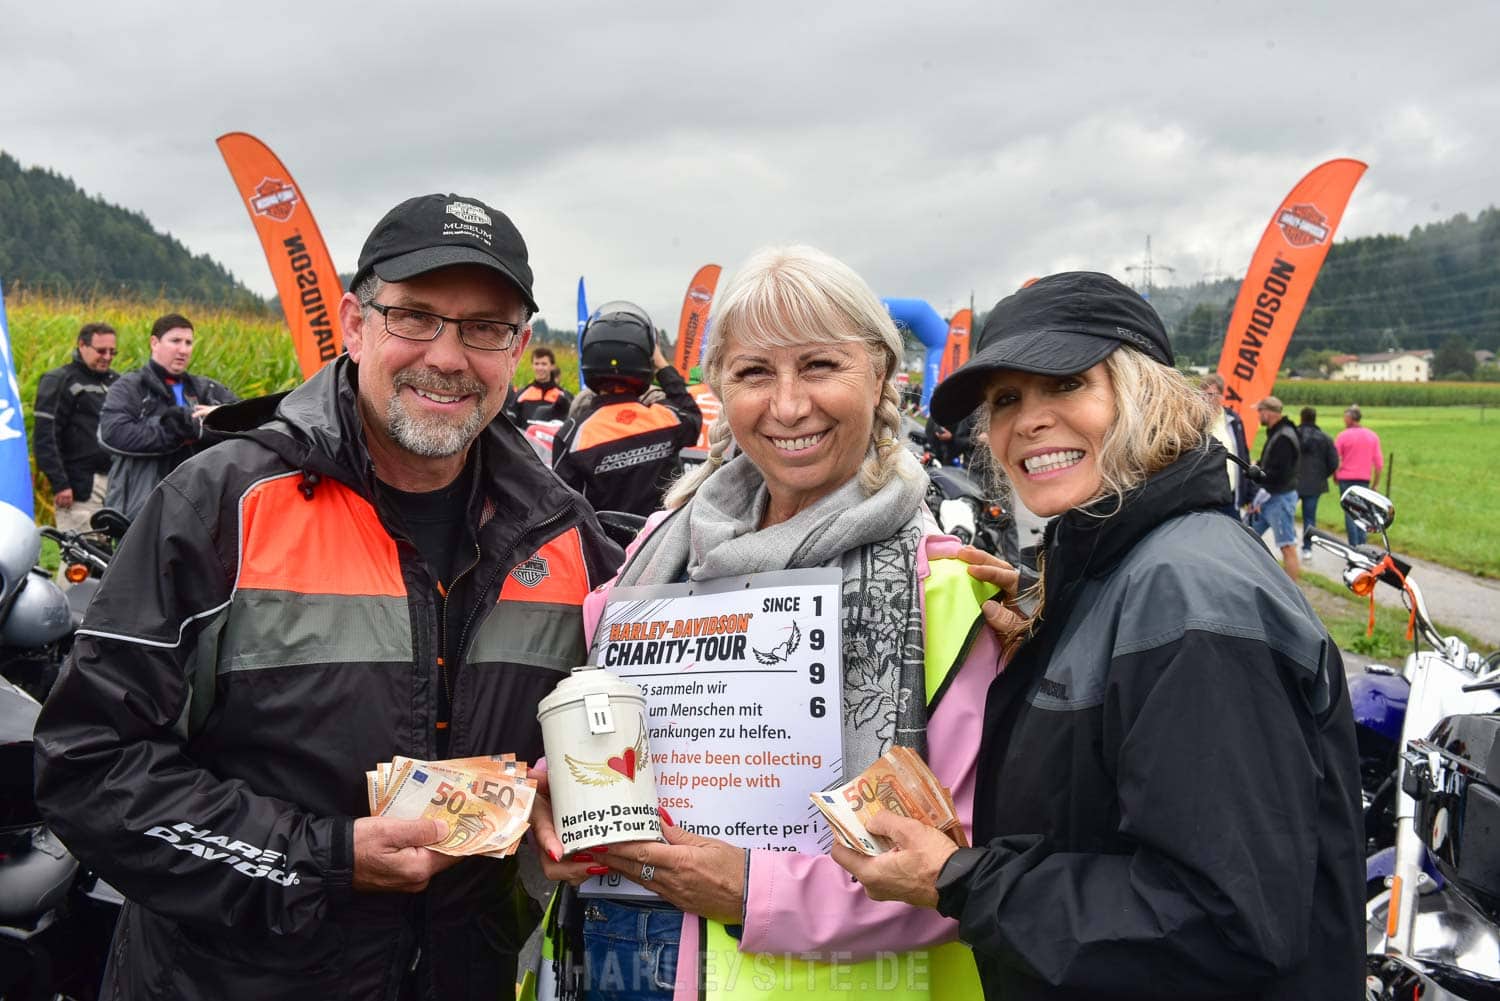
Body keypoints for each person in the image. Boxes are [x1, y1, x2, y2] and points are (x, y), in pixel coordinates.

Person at [34, 192, 622, 1001]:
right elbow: (88, 765)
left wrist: (575, 804)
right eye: (414, 316)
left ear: (518, 348)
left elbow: (612, 730)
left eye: (485, 327)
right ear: (353, 322)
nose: (448, 356)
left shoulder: (566, 532)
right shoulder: (220, 504)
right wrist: (328, 856)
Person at [833, 271, 1363, 1000]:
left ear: (1145, 393)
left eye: (1066, 384)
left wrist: (956, 879)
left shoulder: (1189, 594)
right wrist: (1055, 617)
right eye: (1007, 399)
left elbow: (1222, 919)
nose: (1029, 421)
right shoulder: (1117, 569)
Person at [527, 246, 999, 1001]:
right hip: (611, 958)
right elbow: (615, 721)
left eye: (819, 366)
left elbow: (979, 870)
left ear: (880, 376)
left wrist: (756, 889)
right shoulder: (661, 548)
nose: (786, 406)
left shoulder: (949, 592)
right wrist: (563, 794)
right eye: (754, 372)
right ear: (719, 387)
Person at [551, 302, 702, 517]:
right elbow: (692, 413)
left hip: (602, 547)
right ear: (647, 361)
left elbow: (560, 504)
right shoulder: (666, 418)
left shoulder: (574, 433)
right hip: (659, 543)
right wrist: (662, 365)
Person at [97, 313, 239, 519]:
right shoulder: (130, 387)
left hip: (194, 511)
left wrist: (211, 422)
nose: (183, 350)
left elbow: (246, 421)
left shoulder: (206, 389)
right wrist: (174, 431)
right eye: (175, 341)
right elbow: (113, 434)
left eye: (188, 343)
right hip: (139, 514)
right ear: (154, 343)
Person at [32, 321, 119, 532]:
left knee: (108, 559)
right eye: (101, 351)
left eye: (112, 352)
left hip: (114, 486)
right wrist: (60, 484)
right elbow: (45, 437)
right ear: (82, 345)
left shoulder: (117, 382)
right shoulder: (60, 380)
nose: (107, 356)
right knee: (79, 559)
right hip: (78, 488)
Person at [1246, 395, 1302, 580]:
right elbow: (1273, 464)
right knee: (1247, 536)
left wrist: (1258, 477)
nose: (1258, 415)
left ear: (1268, 413)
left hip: (1279, 498)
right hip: (1271, 496)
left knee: (1287, 546)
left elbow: (1280, 472)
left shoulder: (1283, 437)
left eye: (1259, 412)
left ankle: (1293, 594)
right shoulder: (1278, 433)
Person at [1199, 372, 1251, 517]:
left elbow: (1243, 455)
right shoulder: (1196, 421)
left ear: (1222, 396)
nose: (1205, 399)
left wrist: (1249, 491)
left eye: (1210, 395)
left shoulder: (1234, 420)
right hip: (1207, 497)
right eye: (1202, 395)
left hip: (1232, 495)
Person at [1335, 404, 1384, 546]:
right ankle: (1362, 543)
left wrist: (1335, 474)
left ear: (1351, 419)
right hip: (1363, 479)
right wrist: (1375, 483)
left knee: (1349, 513)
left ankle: (1354, 545)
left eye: (1345, 418)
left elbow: (1336, 458)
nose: (1344, 420)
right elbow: (1379, 463)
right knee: (1362, 512)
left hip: (1346, 478)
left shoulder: (1343, 436)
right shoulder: (1372, 436)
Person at [1296, 405, 1340, 556]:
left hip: (1292, 482)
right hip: (1315, 484)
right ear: (1315, 418)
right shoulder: (1325, 438)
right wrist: (1322, 475)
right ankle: (1307, 548)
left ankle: (1288, 542)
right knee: (1310, 517)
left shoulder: (1292, 434)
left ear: (1301, 418)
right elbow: (1334, 462)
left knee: (1285, 513)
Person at [511, 345, 574, 424]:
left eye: (544, 364)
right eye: (536, 364)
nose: (540, 368)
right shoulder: (521, 395)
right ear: (532, 366)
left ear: (552, 366)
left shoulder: (564, 396)